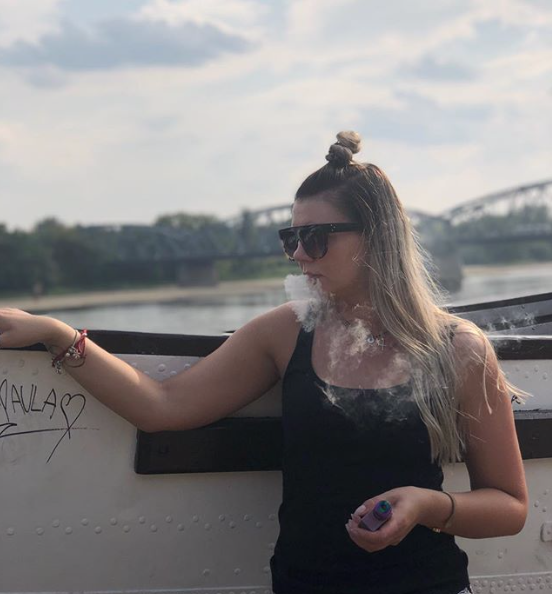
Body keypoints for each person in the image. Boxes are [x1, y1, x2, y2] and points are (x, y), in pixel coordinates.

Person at [0, 131, 528, 594]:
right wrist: (57, 334)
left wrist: (428, 506)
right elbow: (163, 405)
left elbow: (510, 505)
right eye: (291, 238)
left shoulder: (458, 349)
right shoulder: (287, 331)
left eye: (315, 238)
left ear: (377, 237)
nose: (298, 255)